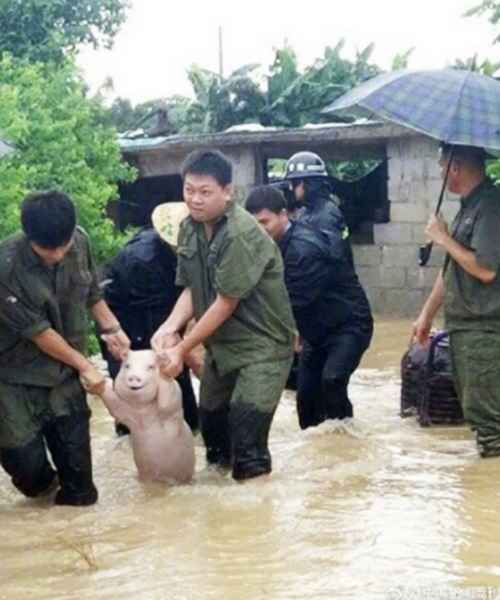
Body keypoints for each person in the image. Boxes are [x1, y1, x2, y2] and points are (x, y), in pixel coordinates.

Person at [151, 150, 295, 481]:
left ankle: (254, 521)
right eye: (189, 190)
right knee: (214, 439)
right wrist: (169, 327)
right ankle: (219, 522)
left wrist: (181, 349)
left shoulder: (241, 234)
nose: (195, 200)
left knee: (248, 446)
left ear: (227, 191)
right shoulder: (189, 228)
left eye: (205, 192)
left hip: (263, 349)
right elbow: (191, 288)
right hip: (222, 347)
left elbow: (225, 302)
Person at [0, 191, 130, 506]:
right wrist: (87, 366)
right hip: (14, 377)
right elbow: (39, 333)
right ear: (29, 237)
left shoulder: (80, 241)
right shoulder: (6, 266)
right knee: (29, 471)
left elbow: (90, 292)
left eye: (63, 245)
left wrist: (111, 328)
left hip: (65, 374)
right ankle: (43, 501)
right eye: (46, 249)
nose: (58, 255)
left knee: (81, 492)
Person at [246, 185, 373, 430]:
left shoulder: (303, 250)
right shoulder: (269, 244)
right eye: (254, 225)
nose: (259, 230)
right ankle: (319, 457)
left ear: (284, 215)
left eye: (265, 222)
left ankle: (347, 441)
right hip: (315, 332)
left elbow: (289, 304)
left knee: (333, 381)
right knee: (305, 399)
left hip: (348, 325)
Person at [413, 143, 500, 458]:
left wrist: (444, 238)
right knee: (478, 416)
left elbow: (486, 269)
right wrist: (426, 315)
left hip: (485, 331)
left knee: (489, 424)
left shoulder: (490, 206)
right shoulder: (469, 207)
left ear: (456, 166)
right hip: (466, 329)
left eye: (441, 166)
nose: (439, 173)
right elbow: (452, 269)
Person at [100, 225, 199, 434]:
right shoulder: (144, 261)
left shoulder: (183, 254)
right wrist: (184, 349)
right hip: (125, 322)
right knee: (135, 386)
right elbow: (163, 329)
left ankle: (190, 430)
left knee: (183, 408)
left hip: (159, 314)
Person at [284, 151, 353, 263]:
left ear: (308, 183)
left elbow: (335, 257)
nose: (291, 188)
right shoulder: (311, 210)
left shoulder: (326, 214)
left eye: (294, 182)